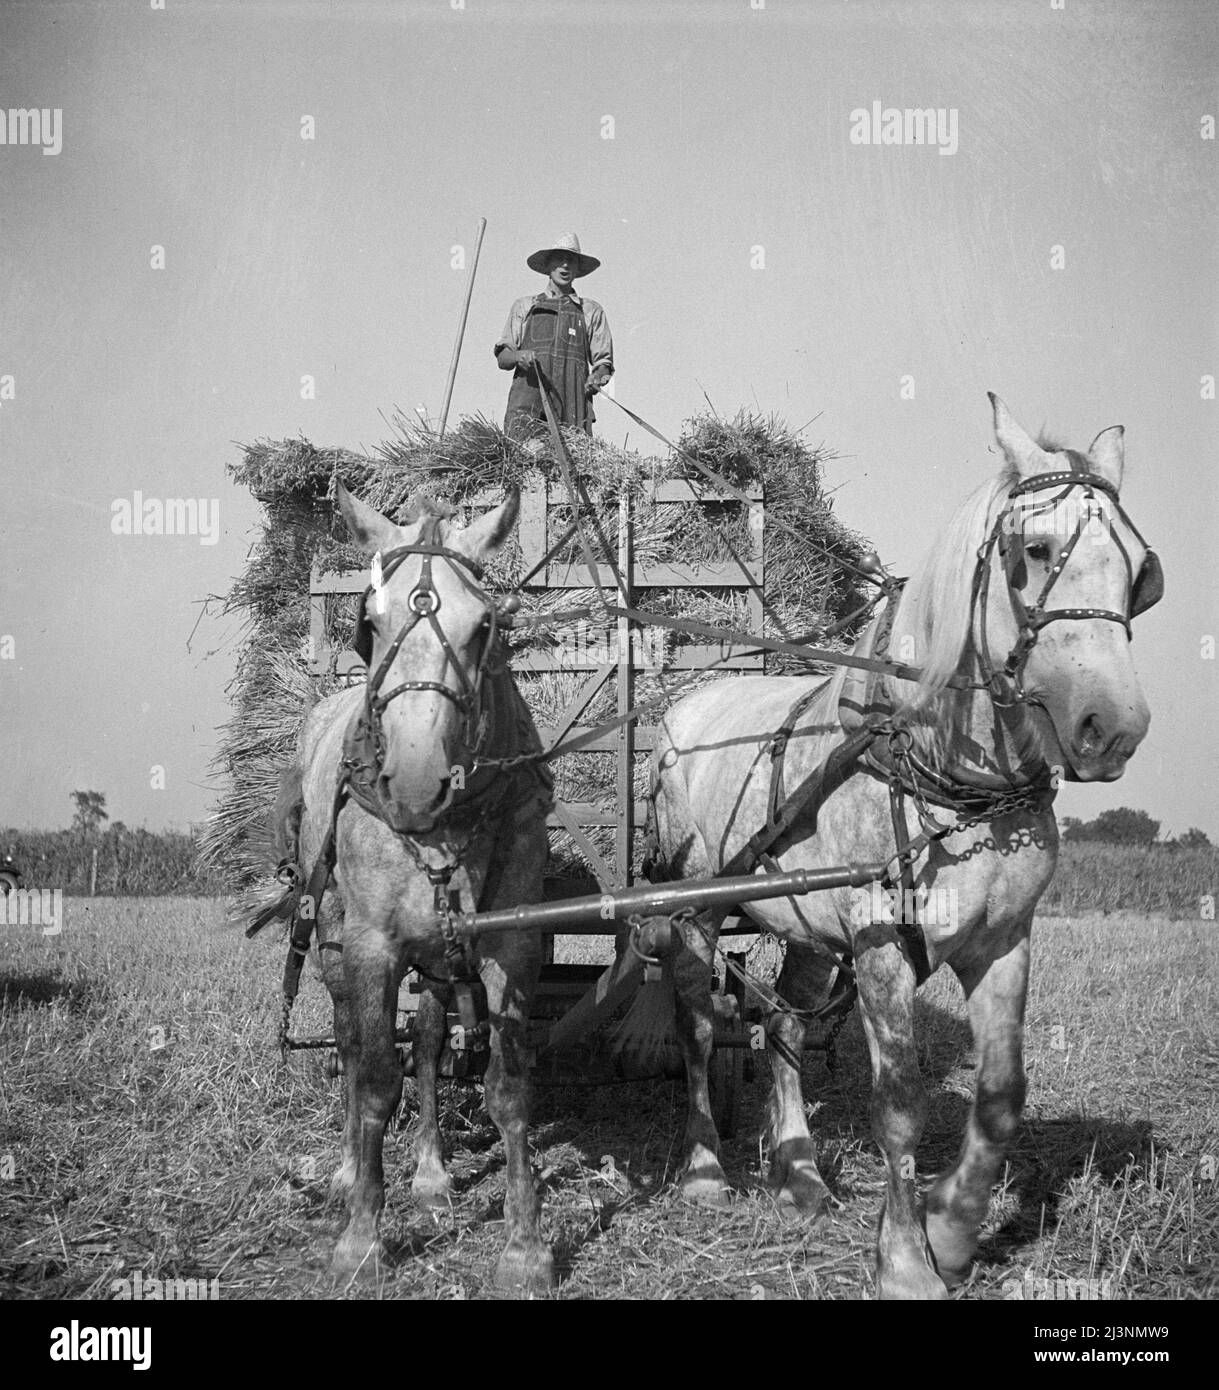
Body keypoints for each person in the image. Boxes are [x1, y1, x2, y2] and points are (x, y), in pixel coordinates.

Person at [494, 233, 614, 441]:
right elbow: (503, 359)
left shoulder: (591, 311)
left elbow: (605, 365)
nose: (565, 266)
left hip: (572, 406)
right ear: (548, 265)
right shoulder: (524, 306)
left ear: (578, 269)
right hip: (527, 406)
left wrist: (597, 379)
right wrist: (518, 356)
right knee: (522, 459)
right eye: (559, 259)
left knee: (573, 464)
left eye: (572, 261)